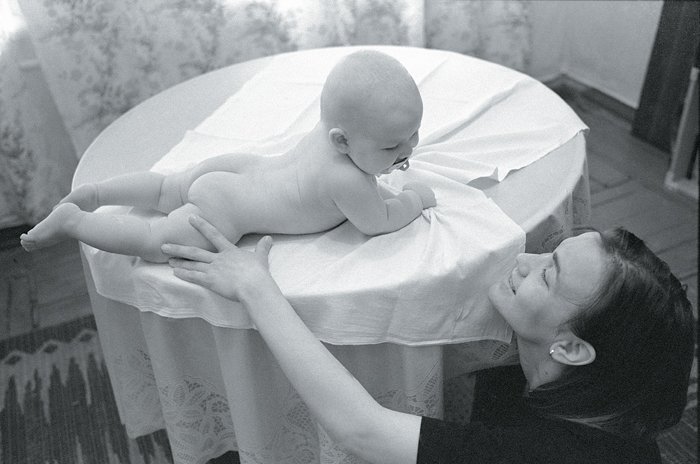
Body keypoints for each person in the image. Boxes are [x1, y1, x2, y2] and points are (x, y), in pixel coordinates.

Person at [161, 215, 695, 464]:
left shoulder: (540, 454)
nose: (525, 260)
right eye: (549, 251)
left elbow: (361, 430)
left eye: (548, 275)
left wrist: (256, 288)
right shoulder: (612, 395)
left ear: (572, 348)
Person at [20, 50, 435, 262]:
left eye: (414, 134)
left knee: (165, 188)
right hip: (229, 209)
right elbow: (378, 221)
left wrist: (385, 152)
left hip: (237, 169)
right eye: (391, 146)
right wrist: (414, 199)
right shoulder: (347, 179)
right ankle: (75, 221)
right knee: (153, 242)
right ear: (342, 141)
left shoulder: (330, 132)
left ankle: (97, 193)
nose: (408, 149)